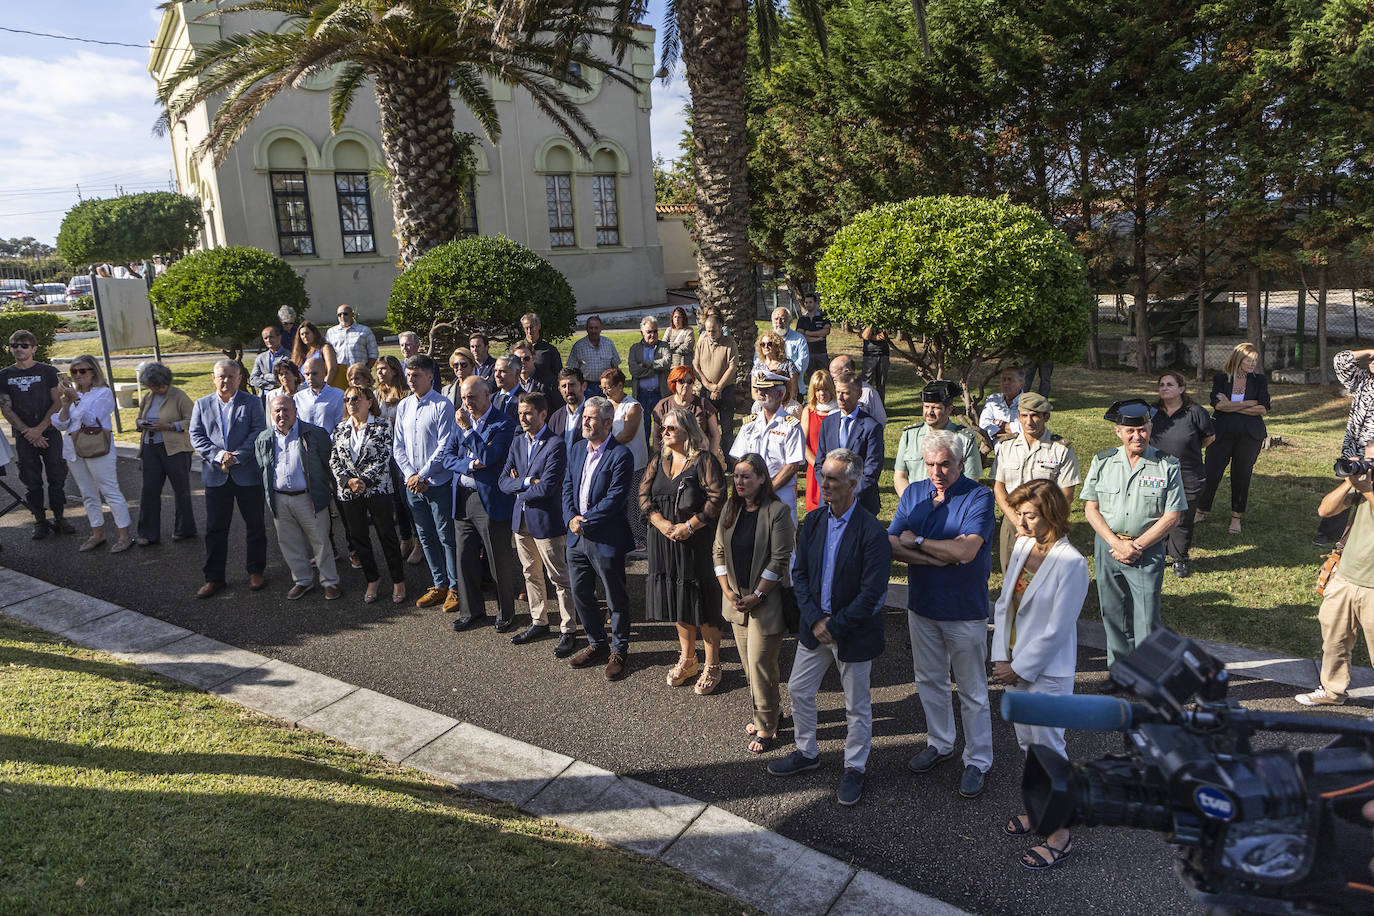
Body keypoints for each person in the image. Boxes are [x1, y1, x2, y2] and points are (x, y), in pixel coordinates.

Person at [767, 450, 891, 807]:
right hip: (815, 626)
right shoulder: (814, 521)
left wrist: (834, 625)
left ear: (853, 484)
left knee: (857, 705)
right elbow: (801, 574)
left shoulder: (872, 531)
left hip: (851, 632)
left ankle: (855, 767)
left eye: (833, 479)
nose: (824, 484)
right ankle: (807, 752)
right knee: (799, 688)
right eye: (823, 477)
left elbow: (872, 594)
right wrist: (815, 619)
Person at [890, 428, 997, 799]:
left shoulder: (979, 497)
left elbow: (966, 552)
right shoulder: (915, 492)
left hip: (964, 611)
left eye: (945, 465)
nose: (937, 472)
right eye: (931, 464)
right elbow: (891, 543)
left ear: (961, 463)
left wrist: (918, 543)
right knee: (929, 681)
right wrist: (940, 555)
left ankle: (978, 759)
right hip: (922, 606)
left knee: (973, 691)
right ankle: (940, 743)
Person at [991, 480, 1088, 870]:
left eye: (1029, 515)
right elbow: (1004, 604)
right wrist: (1001, 657)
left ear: (1052, 514)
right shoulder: (1023, 545)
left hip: (1047, 672)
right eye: (1020, 514)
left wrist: (1017, 668)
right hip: (1013, 664)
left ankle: (1061, 834)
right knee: (1028, 747)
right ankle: (1039, 812)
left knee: (1049, 751)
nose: (1022, 522)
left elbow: (1057, 630)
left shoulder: (1072, 563)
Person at [1081, 398, 1186, 671]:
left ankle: (1149, 675)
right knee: (1113, 613)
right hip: (1108, 547)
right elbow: (1091, 509)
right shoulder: (1103, 461)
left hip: (1146, 550)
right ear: (1119, 432)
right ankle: (1119, 672)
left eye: (1142, 429)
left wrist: (1134, 545)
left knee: (1147, 617)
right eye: (1131, 431)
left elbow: (1172, 516)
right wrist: (1116, 543)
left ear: (1150, 428)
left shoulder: (1167, 465)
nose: (1137, 436)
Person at [642, 408, 727, 693]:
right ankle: (688, 658)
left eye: (671, 429)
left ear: (687, 432)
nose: (664, 433)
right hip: (664, 539)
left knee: (702, 601)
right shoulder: (659, 459)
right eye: (663, 428)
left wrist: (688, 527)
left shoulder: (704, 460)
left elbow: (717, 498)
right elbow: (642, 497)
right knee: (679, 599)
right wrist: (662, 523)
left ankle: (713, 664)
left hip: (696, 542)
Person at [714, 452, 795, 753]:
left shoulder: (778, 512)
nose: (739, 482)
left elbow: (779, 559)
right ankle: (773, 711)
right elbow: (718, 552)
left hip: (765, 603)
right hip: (736, 602)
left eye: (746, 476)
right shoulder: (730, 509)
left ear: (762, 478)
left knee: (761, 665)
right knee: (751, 668)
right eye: (736, 476)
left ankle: (766, 727)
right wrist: (728, 592)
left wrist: (757, 595)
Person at [1296, 438, 1374, 707]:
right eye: (1367, 459)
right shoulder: (1362, 487)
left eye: (1372, 461)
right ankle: (1332, 690)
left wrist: (1369, 491)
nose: (1368, 464)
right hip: (1346, 577)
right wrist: (1349, 483)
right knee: (1335, 641)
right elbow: (1325, 510)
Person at [500, 392, 578, 653]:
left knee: (559, 577)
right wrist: (525, 482)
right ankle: (539, 621)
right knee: (530, 573)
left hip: (546, 521)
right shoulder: (517, 442)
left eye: (529, 413)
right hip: (520, 520)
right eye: (521, 413)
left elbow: (547, 488)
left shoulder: (556, 445)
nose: (523, 417)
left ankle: (569, 628)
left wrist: (519, 485)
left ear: (543, 414)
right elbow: (503, 482)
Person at [564, 397, 636, 679]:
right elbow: (568, 486)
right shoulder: (578, 448)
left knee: (615, 597)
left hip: (605, 537)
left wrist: (586, 521)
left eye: (592, 418)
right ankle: (596, 643)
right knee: (581, 593)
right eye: (584, 417)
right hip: (576, 537)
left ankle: (619, 650)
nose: (586, 421)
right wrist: (571, 517)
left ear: (608, 423)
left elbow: (615, 498)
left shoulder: (621, 455)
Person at [444, 375, 521, 631]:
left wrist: (468, 431)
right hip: (462, 498)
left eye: (473, 397)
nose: (468, 403)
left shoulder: (503, 424)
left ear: (488, 396)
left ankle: (505, 612)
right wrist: (470, 465)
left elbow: (489, 455)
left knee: (497, 559)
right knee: (464, 557)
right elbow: (447, 458)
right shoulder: (460, 419)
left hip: (488, 499)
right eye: (464, 397)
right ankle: (471, 611)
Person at [189, 359, 268, 598]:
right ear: (213, 378)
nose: (226, 381)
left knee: (255, 526)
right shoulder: (201, 405)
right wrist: (220, 456)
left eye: (231, 377)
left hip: (247, 474)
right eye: (221, 376)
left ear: (239, 378)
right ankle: (214, 578)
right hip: (216, 476)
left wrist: (237, 457)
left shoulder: (252, 402)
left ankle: (256, 571)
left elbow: (258, 432)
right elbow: (196, 435)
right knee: (215, 529)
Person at [255, 395, 340, 600]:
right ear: (271, 413)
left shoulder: (315, 434)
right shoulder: (264, 438)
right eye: (277, 411)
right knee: (289, 543)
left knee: (320, 542)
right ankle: (302, 580)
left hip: (309, 498)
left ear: (295, 411)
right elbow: (263, 467)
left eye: (286, 410)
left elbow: (328, 465)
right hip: (280, 499)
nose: (281, 414)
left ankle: (330, 582)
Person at [394, 354, 460, 612]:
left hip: (437, 483)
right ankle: (439, 584)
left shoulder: (442, 406)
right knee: (426, 536)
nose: (411, 379)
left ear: (430, 376)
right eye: (408, 375)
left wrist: (422, 475)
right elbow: (398, 447)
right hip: (413, 485)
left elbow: (445, 446)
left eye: (416, 375)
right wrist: (411, 475)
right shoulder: (404, 406)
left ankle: (455, 587)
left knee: (446, 537)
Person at [330, 384, 406, 603]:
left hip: (377, 489)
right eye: (347, 399)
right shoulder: (340, 428)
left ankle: (398, 580)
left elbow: (383, 456)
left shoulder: (382, 426)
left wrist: (363, 481)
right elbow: (334, 460)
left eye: (356, 399)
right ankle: (372, 578)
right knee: (359, 537)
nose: (351, 403)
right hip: (349, 492)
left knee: (387, 535)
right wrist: (349, 481)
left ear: (369, 401)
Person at [50, 355, 133, 553]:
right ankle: (97, 533)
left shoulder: (103, 393)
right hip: (74, 449)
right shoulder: (73, 396)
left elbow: (92, 420)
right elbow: (60, 423)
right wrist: (65, 404)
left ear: (93, 371)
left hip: (97, 448)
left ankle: (124, 536)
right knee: (88, 494)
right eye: (74, 372)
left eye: (82, 371)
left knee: (110, 491)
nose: (78, 375)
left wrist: (76, 399)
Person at [991, 392, 1080, 573]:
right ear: (1019, 417)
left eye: (1035, 416)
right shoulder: (1006, 446)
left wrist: (1041, 521)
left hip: (1047, 523)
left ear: (1046, 417)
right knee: (1011, 577)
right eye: (1024, 416)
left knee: (1045, 577)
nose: (1029, 422)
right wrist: (1018, 522)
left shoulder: (1061, 450)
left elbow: (1066, 494)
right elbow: (999, 488)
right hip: (1012, 521)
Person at [0, 329, 69, 539]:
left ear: (34, 348)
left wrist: (39, 429)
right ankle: (40, 520)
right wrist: (27, 432)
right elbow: (5, 407)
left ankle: (60, 517)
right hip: (24, 436)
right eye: (14, 345)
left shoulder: (48, 372)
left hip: (50, 432)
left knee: (57, 477)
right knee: (31, 481)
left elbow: (58, 402)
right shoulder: (4, 375)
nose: (19, 349)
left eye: (24, 345)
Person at [1197, 342, 1270, 536]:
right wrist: (1248, 404)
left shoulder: (1259, 380)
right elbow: (1218, 406)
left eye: (1256, 360)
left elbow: (1263, 408)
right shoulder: (1221, 378)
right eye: (1249, 360)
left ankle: (1236, 517)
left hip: (1250, 435)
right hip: (1221, 433)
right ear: (1238, 358)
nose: (1253, 364)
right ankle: (1200, 510)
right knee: (1211, 473)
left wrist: (1231, 404)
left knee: (1241, 475)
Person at [1150, 371, 1215, 578]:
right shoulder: (1151, 411)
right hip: (1156, 474)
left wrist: (1188, 449)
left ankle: (1179, 559)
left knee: (1182, 519)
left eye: (1170, 384)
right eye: (1161, 385)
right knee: (1156, 515)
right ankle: (1156, 553)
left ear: (1181, 388)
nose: (1165, 388)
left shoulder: (1195, 412)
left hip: (1188, 474)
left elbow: (1209, 438)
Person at [134, 361, 196, 546]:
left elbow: (193, 420)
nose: (154, 389)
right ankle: (147, 533)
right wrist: (140, 424)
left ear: (166, 382)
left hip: (175, 449)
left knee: (181, 490)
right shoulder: (148, 396)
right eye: (151, 386)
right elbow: (139, 417)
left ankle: (184, 529)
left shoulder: (179, 396)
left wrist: (170, 426)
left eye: (157, 386)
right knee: (149, 491)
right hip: (150, 447)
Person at [730, 372, 804, 514]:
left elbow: (792, 466)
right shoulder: (749, 424)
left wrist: (767, 490)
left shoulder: (791, 426)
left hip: (780, 495)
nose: (761, 393)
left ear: (780, 394)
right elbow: (740, 460)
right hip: (751, 495)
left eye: (766, 390)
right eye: (759, 389)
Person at [893, 381, 981, 496]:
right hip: (915, 505)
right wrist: (910, 503)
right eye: (926, 407)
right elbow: (900, 476)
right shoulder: (910, 435)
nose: (929, 412)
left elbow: (971, 481)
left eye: (935, 408)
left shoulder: (964, 439)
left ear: (949, 409)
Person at [815, 375, 884, 515]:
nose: (839, 397)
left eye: (845, 393)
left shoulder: (871, 427)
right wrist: (828, 490)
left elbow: (871, 470)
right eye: (838, 392)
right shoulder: (828, 423)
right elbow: (819, 464)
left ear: (858, 394)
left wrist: (846, 497)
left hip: (860, 504)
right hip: (829, 503)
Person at [374, 355, 418, 564]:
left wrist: (392, 420)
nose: (380, 373)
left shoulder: (407, 393)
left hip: (404, 452)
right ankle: (406, 537)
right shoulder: (376, 394)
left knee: (406, 497)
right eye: (378, 369)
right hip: (384, 453)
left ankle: (419, 540)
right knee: (395, 500)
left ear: (394, 370)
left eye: (383, 369)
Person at [601, 368, 648, 550]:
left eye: (609, 388)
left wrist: (605, 447)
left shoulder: (633, 406)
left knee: (633, 500)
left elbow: (627, 434)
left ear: (620, 385)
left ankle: (638, 538)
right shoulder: (604, 405)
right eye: (603, 387)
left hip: (633, 461)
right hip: (611, 462)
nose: (605, 391)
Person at [694, 308, 739, 452]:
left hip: (726, 391)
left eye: (713, 331)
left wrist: (718, 387)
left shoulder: (729, 343)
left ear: (721, 327)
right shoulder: (702, 342)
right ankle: (707, 460)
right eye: (708, 331)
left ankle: (727, 462)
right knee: (704, 428)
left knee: (726, 429)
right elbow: (695, 365)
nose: (710, 334)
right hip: (706, 392)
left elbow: (732, 367)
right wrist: (708, 385)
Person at [651, 365, 721, 457]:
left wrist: (711, 459)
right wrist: (659, 459)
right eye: (681, 381)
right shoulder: (663, 406)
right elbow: (656, 436)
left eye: (689, 381)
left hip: (699, 458)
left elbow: (715, 435)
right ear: (674, 383)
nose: (686, 385)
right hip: (671, 458)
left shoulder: (704, 405)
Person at [801, 369, 838, 513]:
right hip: (815, 467)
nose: (822, 394)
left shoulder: (838, 411)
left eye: (825, 389)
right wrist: (818, 465)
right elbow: (803, 444)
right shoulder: (808, 412)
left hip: (836, 468)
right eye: (818, 390)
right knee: (816, 510)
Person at [628, 315, 671, 421]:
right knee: (643, 427)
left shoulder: (664, 346)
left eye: (655, 331)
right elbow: (634, 370)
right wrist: (655, 371)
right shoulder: (634, 349)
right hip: (642, 395)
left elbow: (666, 362)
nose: (653, 335)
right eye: (649, 332)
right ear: (642, 333)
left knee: (664, 425)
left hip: (660, 393)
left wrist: (647, 364)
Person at [567, 315, 620, 398]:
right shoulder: (579, 346)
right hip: (586, 387)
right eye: (591, 328)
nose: (593, 331)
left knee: (607, 410)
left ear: (601, 328)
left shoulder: (609, 343)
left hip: (606, 386)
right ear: (586, 329)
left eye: (596, 328)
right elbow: (572, 371)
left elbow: (616, 367)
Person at [827, 355, 886, 425]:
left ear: (847, 371)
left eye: (834, 378)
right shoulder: (830, 391)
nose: (832, 381)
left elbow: (880, 421)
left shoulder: (868, 393)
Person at [295, 358, 346, 434]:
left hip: (330, 443)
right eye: (307, 374)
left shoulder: (339, 395)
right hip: (306, 444)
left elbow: (341, 425)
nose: (310, 378)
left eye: (314, 373)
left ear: (325, 373)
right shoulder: (298, 398)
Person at [752, 330, 799, 406]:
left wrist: (780, 406)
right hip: (763, 405)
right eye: (762, 344)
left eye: (769, 344)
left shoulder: (789, 364)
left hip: (784, 405)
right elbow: (754, 392)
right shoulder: (758, 366)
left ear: (777, 346)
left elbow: (793, 390)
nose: (766, 346)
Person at [326, 304, 378, 372]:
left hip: (360, 372)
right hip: (338, 373)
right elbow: (326, 353)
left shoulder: (365, 331)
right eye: (339, 314)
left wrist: (366, 369)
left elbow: (373, 353)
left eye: (345, 314)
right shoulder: (331, 332)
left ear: (352, 314)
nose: (342, 316)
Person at [292, 321, 342, 390]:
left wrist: (323, 389)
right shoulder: (301, 354)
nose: (305, 336)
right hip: (306, 391)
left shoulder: (325, 348)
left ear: (314, 333)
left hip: (324, 389)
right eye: (302, 334)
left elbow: (332, 370)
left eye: (307, 333)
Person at [771, 307, 810, 395]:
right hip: (771, 391)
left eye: (782, 318)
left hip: (795, 389)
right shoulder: (766, 341)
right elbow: (759, 360)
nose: (779, 322)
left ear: (789, 321)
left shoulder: (799, 339)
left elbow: (802, 363)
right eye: (776, 319)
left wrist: (783, 374)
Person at [978, 366, 1024, 441]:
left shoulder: (1029, 402)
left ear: (1021, 383)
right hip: (998, 445)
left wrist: (998, 423)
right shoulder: (993, 400)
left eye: (1010, 380)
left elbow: (1028, 427)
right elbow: (983, 424)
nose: (1006, 383)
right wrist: (1009, 433)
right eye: (1003, 380)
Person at [521, 312, 563, 393]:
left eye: (532, 327)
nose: (529, 331)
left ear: (538, 326)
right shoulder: (518, 351)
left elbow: (559, 375)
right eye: (526, 328)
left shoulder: (550, 351)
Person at [547, 367, 587, 447]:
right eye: (564, 386)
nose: (568, 390)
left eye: (572, 385)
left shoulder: (594, 415)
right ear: (559, 389)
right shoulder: (556, 418)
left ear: (584, 386)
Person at [249, 325, 292, 396]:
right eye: (265, 338)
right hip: (263, 398)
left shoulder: (288, 356)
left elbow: (285, 377)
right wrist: (271, 386)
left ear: (279, 337)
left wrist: (264, 376)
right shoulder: (260, 358)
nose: (268, 340)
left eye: (271, 337)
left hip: (282, 396)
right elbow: (253, 379)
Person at [795, 292, 831, 370]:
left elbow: (826, 331)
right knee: (810, 379)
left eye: (810, 302)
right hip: (807, 353)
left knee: (824, 377)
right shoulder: (802, 319)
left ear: (815, 303)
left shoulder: (823, 317)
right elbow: (800, 336)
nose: (808, 304)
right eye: (806, 302)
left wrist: (807, 333)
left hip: (821, 353)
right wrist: (817, 338)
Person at [860, 325, 890, 402]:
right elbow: (865, 335)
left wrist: (872, 337)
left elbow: (884, 335)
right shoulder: (866, 320)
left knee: (881, 383)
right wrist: (871, 324)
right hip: (869, 354)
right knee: (866, 382)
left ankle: (880, 407)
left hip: (883, 354)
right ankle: (864, 404)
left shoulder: (884, 320)